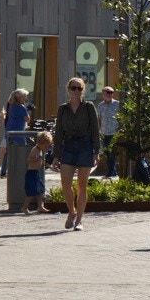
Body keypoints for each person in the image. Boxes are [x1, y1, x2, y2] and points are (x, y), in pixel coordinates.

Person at [54, 77, 99, 231]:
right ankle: (71, 212)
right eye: (74, 88)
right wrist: (56, 155)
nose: (76, 91)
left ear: (83, 90)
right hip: (68, 146)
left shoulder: (88, 107)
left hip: (85, 145)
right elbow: (59, 132)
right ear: (68, 90)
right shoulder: (63, 109)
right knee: (65, 184)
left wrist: (96, 151)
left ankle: (79, 219)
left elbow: (95, 130)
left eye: (79, 88)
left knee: (82, 185)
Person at [0, 89, 29, 177]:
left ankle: (3, 171)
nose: (25, 98)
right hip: (19, 132)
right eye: (24, 97)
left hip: (9, 132)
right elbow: (27, 119)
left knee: (7, 152)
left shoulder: (11, 106)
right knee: (22, 151)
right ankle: (22, 170)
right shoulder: (21, 107)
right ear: (19, 98)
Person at [23, 131, 53, 215]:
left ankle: (40, 206)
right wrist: (34, 160)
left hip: (36, 172)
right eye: (45, 146)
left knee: (41, 190)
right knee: (31, 192)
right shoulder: (35, 150)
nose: (46, 148)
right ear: (40, 143)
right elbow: (28, 160)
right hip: (31, 173)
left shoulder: (40, 150)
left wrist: (42, 163)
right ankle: (24, 207)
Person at [97, 85, 120, 178]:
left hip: (114, 132)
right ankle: (112, 171)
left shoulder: (117, 104)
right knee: (106, 153)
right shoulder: (100, 105)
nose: (110, 94)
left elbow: (121, 117)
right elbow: (99, 118)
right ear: (103, 94)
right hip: (104, 133)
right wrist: (99, 130)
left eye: (112, 92)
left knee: (112, 153)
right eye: (108, 92)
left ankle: (111, 172)